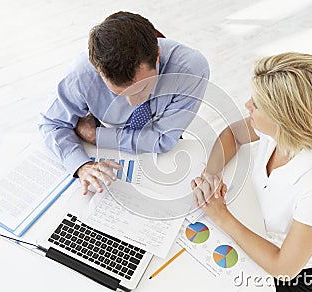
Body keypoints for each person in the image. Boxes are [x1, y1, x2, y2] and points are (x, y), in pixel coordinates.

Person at [191, 52, 312, 291]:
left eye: (256, 105)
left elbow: (284, 268)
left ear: (285, 120)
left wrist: (221, 215)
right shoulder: (278, 132)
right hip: (256, 225)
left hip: (293, 274)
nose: (247, 106)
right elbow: (232, 135)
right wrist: (211, 175)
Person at [39, 11, 209, 195]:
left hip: (158, 154)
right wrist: (81, 165)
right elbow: (52, 123)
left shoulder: (191, 70)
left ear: (157, 55)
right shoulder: (82, 75)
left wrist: (96, 136)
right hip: (104, 148)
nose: (134, 102)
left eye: (142, 89)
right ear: (99, 71)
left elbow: (163, 139)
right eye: (119, 94)